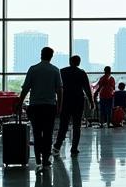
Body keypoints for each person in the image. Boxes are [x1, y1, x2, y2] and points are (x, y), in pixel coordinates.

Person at [19, 46, 63, 174]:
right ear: (51, 56)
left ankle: (38, 159)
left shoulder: (33, 69)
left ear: (41, 55)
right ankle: (46, 160)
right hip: (49, 107)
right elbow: (59, 90)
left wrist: (20, 103)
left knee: (37, 133)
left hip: (35, 107)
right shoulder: (55, 70)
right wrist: (59, 106)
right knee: (48, 134)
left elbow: (26, 88)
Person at [54, 54, 93, 157]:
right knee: (77, 126)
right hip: (78, 101)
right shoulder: (81, 73)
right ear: (79, 62)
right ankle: (74, 148)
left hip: (65, 101)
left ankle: (57, 146)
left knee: (63, 125)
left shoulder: (62, 72)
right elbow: (87, 89)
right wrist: (91, 102)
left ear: (70, 62)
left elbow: (57, 87)